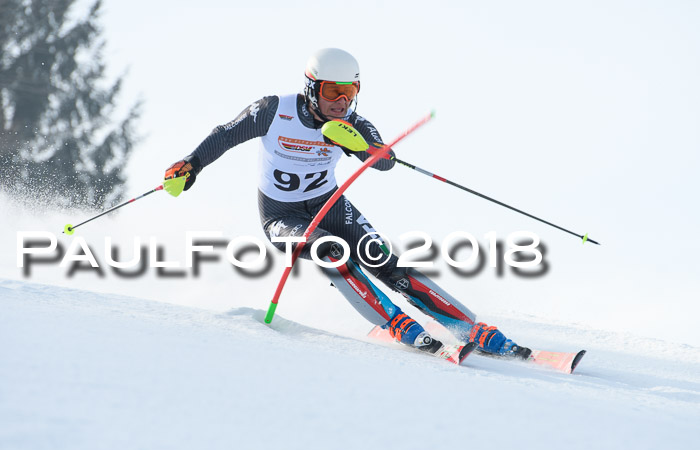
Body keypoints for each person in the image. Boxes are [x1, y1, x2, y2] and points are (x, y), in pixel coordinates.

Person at [165, 48, 530, 359]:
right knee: (331, 249)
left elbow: (385, 160)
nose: (342, 102)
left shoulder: (350, 123)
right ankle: (396, 323)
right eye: (333, 91)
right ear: (311, 88)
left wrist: (356, 144)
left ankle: (469, 329)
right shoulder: (274, 110)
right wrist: (191, 165)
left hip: (330, 204)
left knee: (380, 257)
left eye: (350, 92)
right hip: (282, 216)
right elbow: (224, 136)